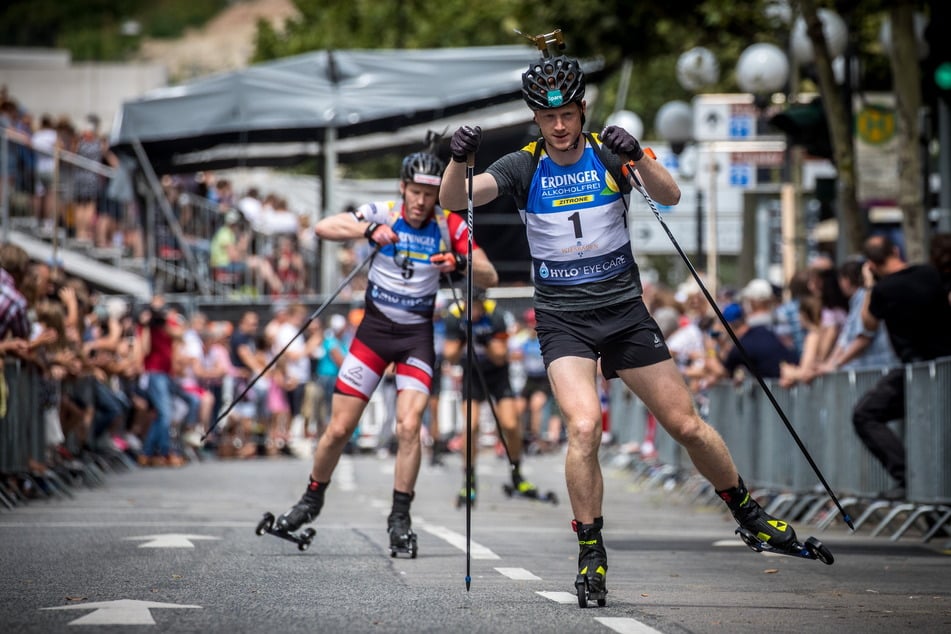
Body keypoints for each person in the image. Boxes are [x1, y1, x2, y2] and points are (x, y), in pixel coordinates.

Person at [440, 43, 802, 603]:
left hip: (626, 314)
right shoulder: (523, 164)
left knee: (686, 426)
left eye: (567, 115)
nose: (559, 127)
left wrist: (640, 158)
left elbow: (670, 195)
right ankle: (591, 550)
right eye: (548, 117)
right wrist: (456, 158)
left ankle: (746, 511)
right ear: (535, 118)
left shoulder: (608, 154)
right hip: (564, 320)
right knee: (584, 427)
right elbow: (455, 197)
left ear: (582, 110)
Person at [272, 150, 498, 556]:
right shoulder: (386, 211)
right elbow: (323, 227)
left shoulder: (450, 225)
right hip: (373, 334)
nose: (420, 202)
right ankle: (311, 499)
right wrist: (366, 231)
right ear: (402, 188)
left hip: (415, 337)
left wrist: (459, 262)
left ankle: (399, 518)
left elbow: (490, 273)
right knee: (339, 429)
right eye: (415, 192)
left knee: (409, 426)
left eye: (429, 194)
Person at [852, 235, 951, 500]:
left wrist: (870, 286)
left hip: (914, 371)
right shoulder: (930, 274)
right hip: (944, 365)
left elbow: (868, 325)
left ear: (871, 264)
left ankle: (908, 479)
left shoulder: (884, 290)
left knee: (865, 414)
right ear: (896, 250)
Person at [443, 288, 537, 505]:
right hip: (472, 373)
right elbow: (450, 356)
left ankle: (516, 473)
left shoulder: (495, 316)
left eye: (476, 305)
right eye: (469, 305)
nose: (472, 309)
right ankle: (469, 478)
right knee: (470, 426)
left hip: (497, 374)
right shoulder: (454, 317)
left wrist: (483, 339)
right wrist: (463, 337)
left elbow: (500, 357)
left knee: (511, 425)